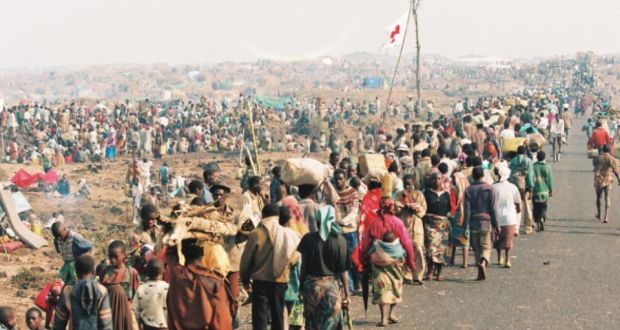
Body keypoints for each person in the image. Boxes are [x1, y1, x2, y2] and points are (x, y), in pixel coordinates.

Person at [240, 204, 301, 330]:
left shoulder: (256, 234)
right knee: (278, 316)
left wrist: (245, 279)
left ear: (263, 215)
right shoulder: (287, 233)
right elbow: (296, 253)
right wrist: (287, 264)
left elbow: (246, 260)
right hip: (280, 281)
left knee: (260, 317)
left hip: (260, 282)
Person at [297, 205, 351, 330]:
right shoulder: (340, 241)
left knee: (312, 322)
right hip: (331, 289)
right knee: (331, 323)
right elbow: (343, 271)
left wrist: (300, 287)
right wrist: (347, 295)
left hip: (311, 288)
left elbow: (303, 266)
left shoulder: (308, 239)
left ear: (317, 222)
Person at [166, 239, 232, 330]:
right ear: (203, 253)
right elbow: (221, 320)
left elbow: (171, 253)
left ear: (183, 252)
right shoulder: (214, 281)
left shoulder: (176, 276)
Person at [53, 254, 113, 330]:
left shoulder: (68, 291)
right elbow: (106, 324)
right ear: (94, 271)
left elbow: (59, 323)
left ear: (76, 271)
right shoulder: (101, 291)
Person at [464, 166, 498, 281]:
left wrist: (465, 226)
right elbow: (493, 209)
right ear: (483, 175)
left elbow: (467, 210)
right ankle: (483, 261)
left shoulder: (468, 190)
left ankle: (479, 267)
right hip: (486, 222)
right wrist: (496, 225)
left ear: (473, 176)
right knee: (486, 246)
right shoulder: (489, 189)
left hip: (473, 222)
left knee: (476, 248)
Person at [98, 240, 140, 330]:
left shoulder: (131, 273)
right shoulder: (104, 273)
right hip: (108, 311)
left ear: (124, 255)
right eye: (110, 256)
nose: (112, 259)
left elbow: (136, 294)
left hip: (125, 312)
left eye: (116, 256)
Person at [395, 174, 427, 284]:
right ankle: (406, 275)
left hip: (416, 227)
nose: (407, 187)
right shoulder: (399, 194)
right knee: (404, 251)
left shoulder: (419, 195)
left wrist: (416, 208)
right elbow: (395, 209)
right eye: (405, 184)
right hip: (404, 226)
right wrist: (403, 204)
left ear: (414, 183)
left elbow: (423, 210)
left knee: (418, 250)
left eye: (409, 184)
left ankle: (418, 275)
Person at [369, 231, 406, 327]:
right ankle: (391, 314)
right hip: (395, 274)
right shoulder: (398, 248)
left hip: (380, 274)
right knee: (396, 293)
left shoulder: (377, 246)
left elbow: (369, 254)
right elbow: (404, 256)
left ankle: (384, 319)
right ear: (394, 240)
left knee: (383, 296)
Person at [334, 169, 360, 292]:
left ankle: (357, 282)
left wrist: (341, 222)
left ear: (345, 179)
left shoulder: (353, 192)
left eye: (340, 179)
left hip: (350, 230)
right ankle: (349, 288)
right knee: (342, 260)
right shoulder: (333, 192)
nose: (338, 181)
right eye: (336, 179)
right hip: (338, 232)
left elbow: (354, 211)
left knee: (354, 259)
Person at [422, 172, 451, 281]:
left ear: (442, 181)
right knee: (430, 248)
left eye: (439, 179)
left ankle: (439, 273)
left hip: (442, 226)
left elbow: (448, 210)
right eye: (434, 179)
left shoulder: (446, 195)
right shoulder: (427, 194)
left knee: (441, 249)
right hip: (430, 225)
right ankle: (430, 271)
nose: (436, 181)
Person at [492, 167, 521, 268]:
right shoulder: (513, 187)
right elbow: (517, 202)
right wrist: (518, 209)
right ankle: (507, 260)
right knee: (509, 240)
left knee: (498, 239)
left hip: (497, 217)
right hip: (509, 217)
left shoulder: (493, 187)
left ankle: (499, 257)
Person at [132, 259, 169, 330]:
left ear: (147, 272)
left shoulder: (141, 289)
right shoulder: (168, 288)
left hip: (147, 327)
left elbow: (134, 312)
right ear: (163, 271)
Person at [509, 145, 535, 234]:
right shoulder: (528, 161)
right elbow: (530, 176)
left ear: (517, 152)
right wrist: (531, 187)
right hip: (525, 187)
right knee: (527, 208)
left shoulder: (513, 161)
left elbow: (510, 174)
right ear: (524, 152)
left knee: (516, 207)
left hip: (514, 187)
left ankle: (515, 228)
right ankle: (528, 228)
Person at [593, 145, 620, 223]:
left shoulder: (597, 158)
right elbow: (615, 170)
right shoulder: (611, 158)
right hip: (608, 179)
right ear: (609, 150)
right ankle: (606, 217)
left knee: (598, 197)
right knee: (607, 197)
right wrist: (619, 179)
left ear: (603, 149)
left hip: (598, 179)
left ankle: (599, 214)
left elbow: (594, 165)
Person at [532, 151, 554, 231]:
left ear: (537, 157)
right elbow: (550, 180)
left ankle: (537, 219)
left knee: (535, 206)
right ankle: (542, 218)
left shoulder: (533, 166)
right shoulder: (547, 167)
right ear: (544, 158)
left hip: (535, 191)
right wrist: (551, 189)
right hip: (544, 191)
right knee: (543, 206)